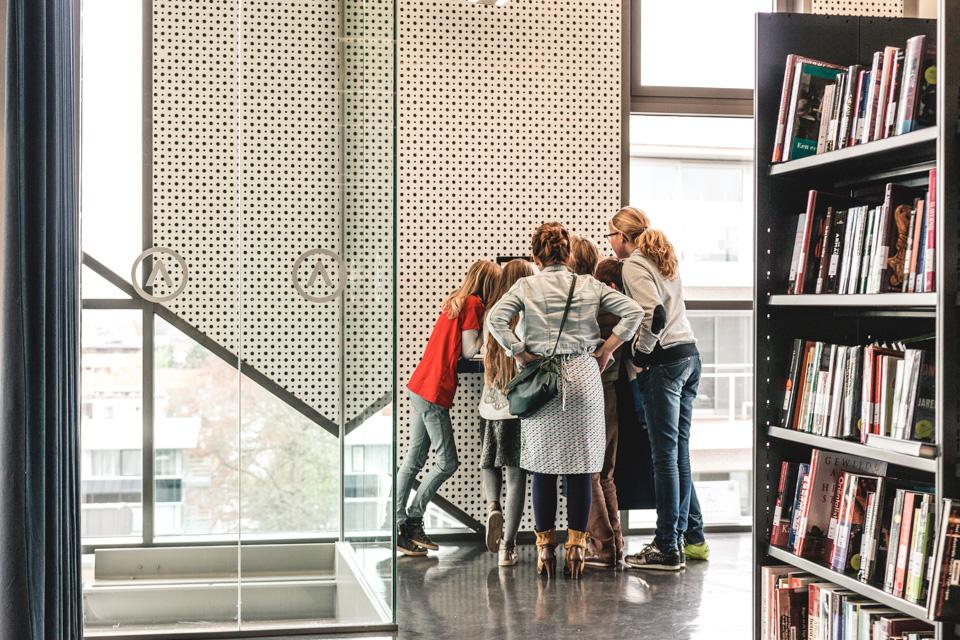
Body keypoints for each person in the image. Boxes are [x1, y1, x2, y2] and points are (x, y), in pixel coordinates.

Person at [486, 222, 642, 579]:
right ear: (569, 254)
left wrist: (520, 352)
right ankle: (576, 551)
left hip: (543, 378)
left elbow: (496, 318)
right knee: (582, 467)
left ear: (536, 257)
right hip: (584, 377)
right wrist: (605, 350)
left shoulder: (526, 285)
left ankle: (544, 551)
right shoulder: (589, 284)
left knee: (541, 466)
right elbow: (633, 312)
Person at [607, 206, 707, 571]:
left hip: (663, 363)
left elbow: (653, 314)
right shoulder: (663, 257)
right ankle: (686, 537)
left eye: (611, 235)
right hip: (689, 357)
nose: (610, 243)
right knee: (678, 453)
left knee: (664, 457)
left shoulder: (633, 264)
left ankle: (667, 546)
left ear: (623, 236)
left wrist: (640, 353)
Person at [397, 260, 502, 556]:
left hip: (420, 385)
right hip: (434, 392)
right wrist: (490, 327)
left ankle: (395, 522)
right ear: (489, 286)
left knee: (414, 460)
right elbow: (471, 350)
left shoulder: (455, 301)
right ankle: (413, 518)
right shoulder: (473, 305)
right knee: (447, 463)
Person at [478, 259, 535, 567]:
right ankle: (508, 548)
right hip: (518, 409)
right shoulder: (527, 316)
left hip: (490, 405)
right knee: (516, 476)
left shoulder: (491, 315)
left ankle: (492, 506)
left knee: (488, 460)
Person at [584, 258, 627, 569]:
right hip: (612, 393)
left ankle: (602, 546)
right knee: (606, 473)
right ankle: (616, 543)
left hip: (592, 394)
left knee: (588, 472)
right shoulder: (621, 310)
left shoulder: (595, 311)